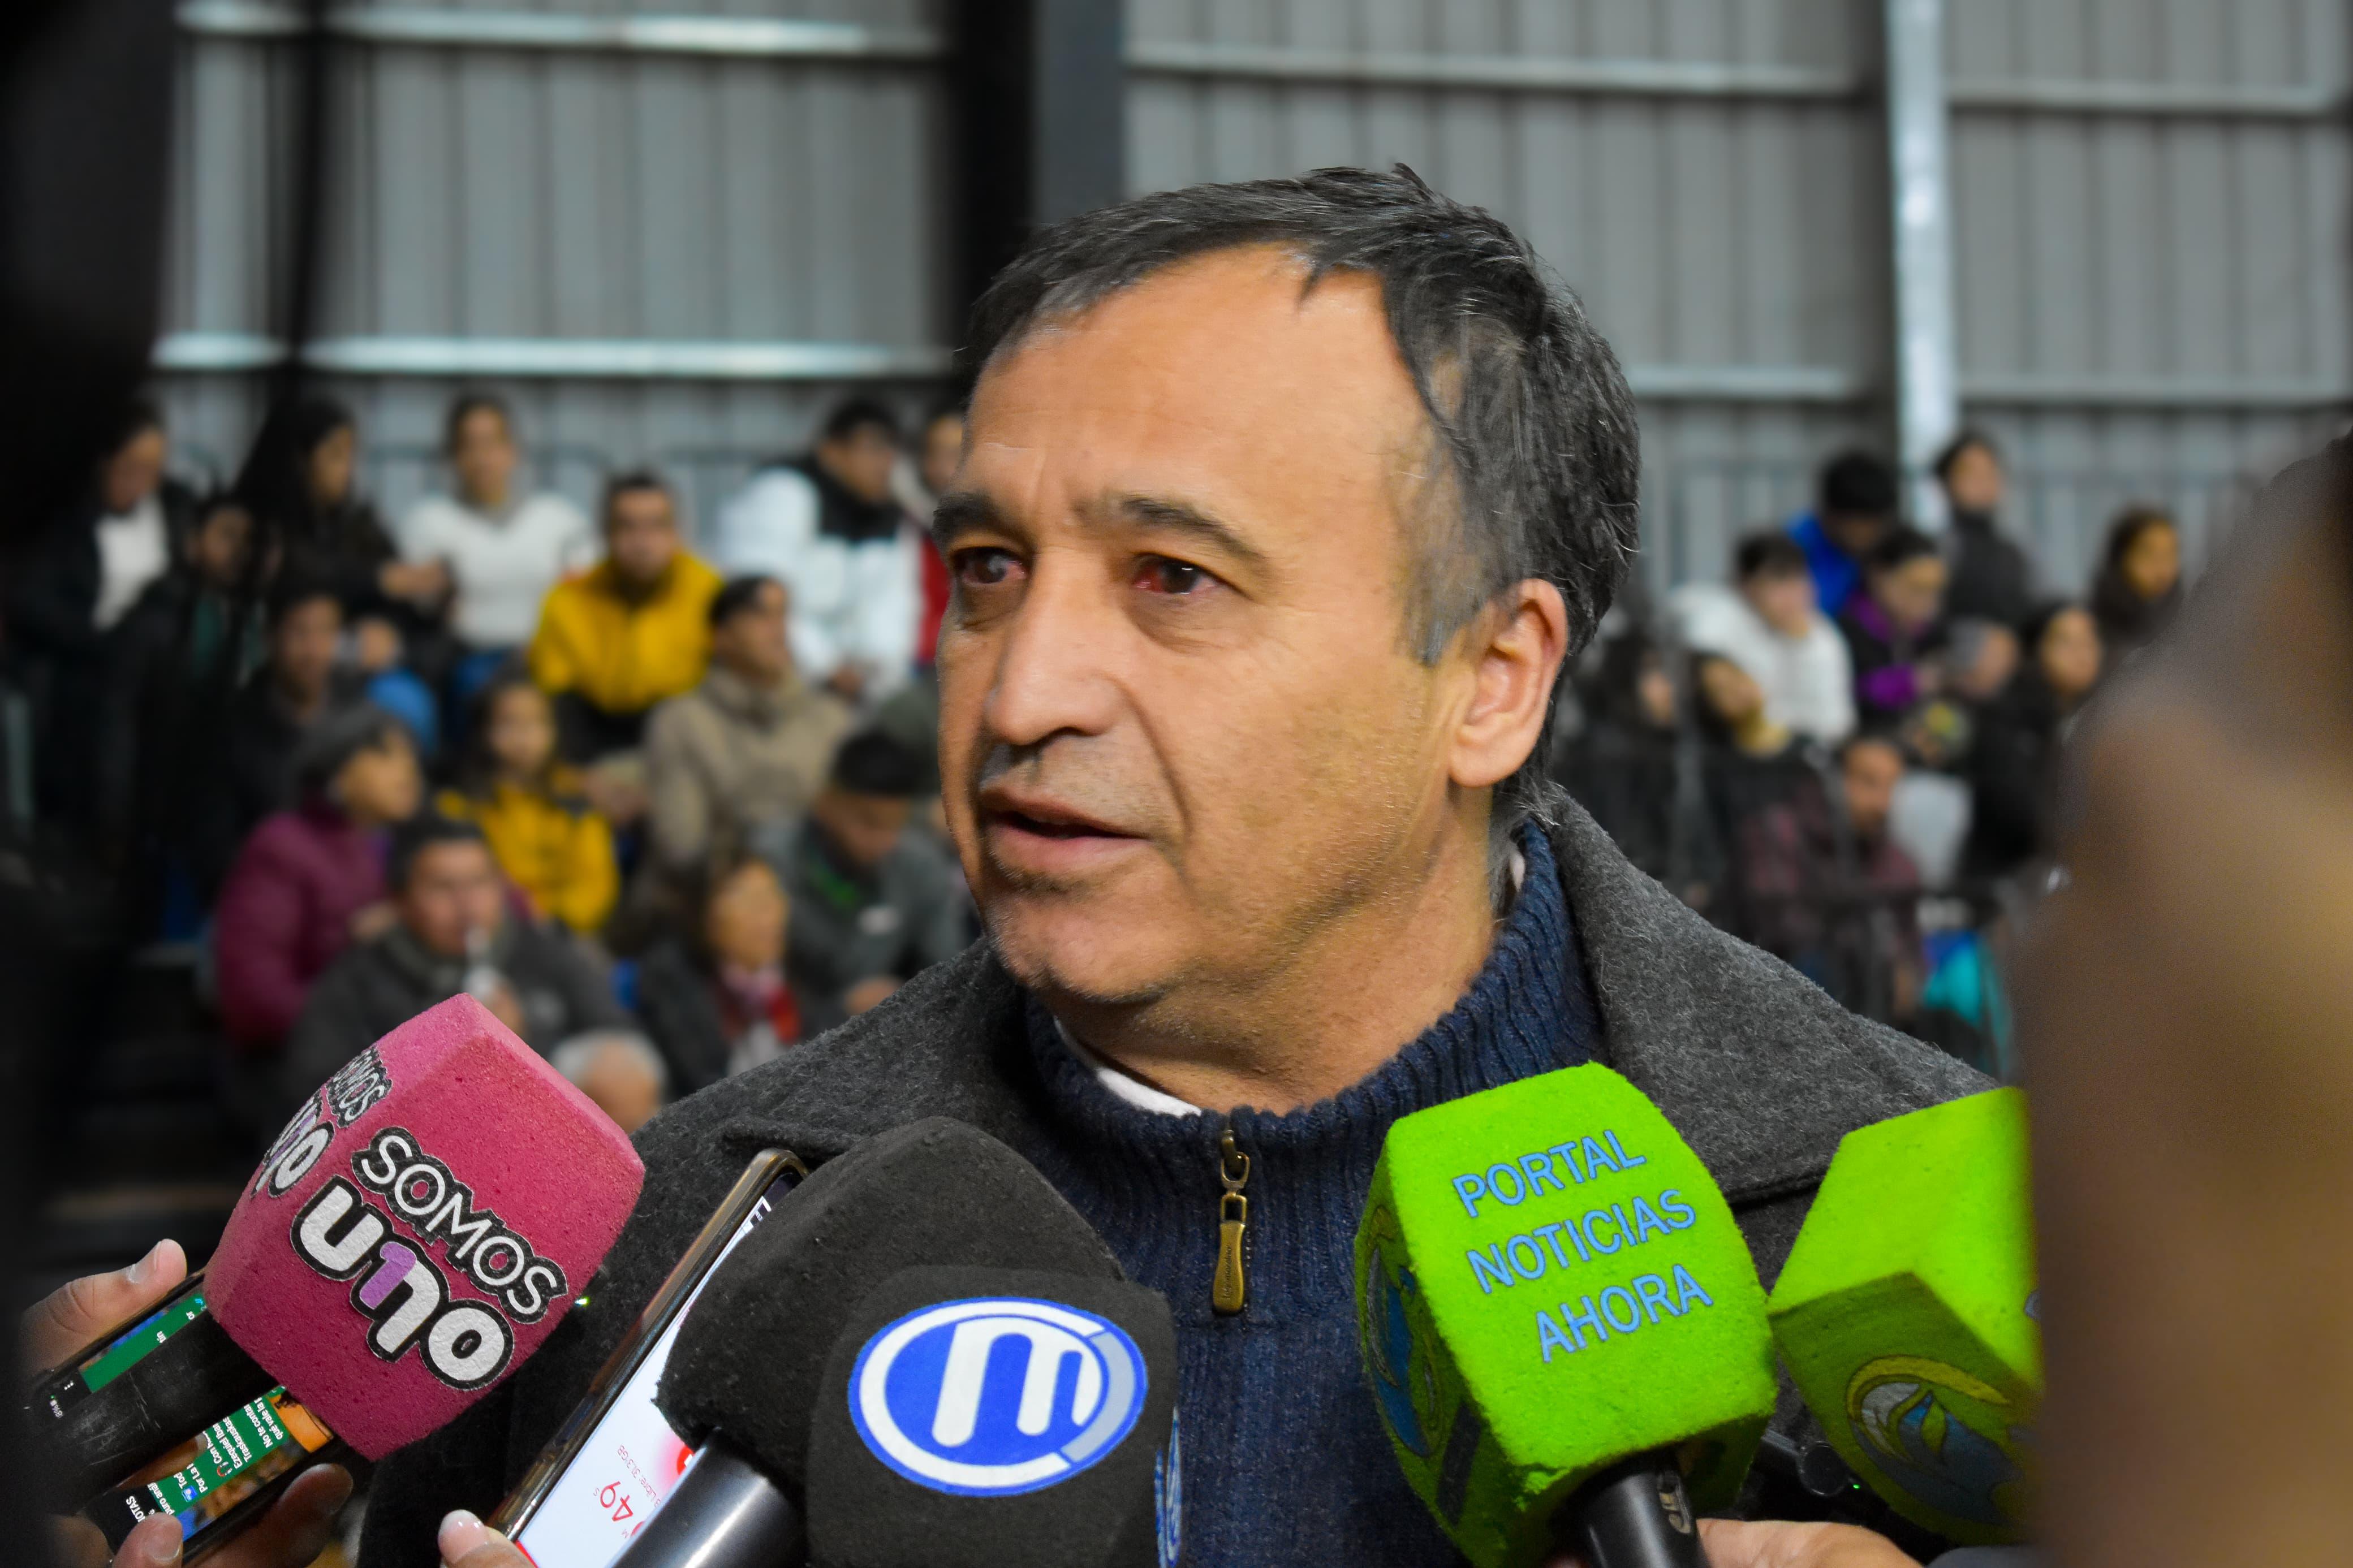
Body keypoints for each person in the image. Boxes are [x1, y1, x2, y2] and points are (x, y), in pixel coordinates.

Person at [365, 168, 1970, 1568]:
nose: (1020, 690)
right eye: (989, 568)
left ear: (1491, 679)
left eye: (1174, 578)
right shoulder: (662, 1251)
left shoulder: (1923, 1248)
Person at [281, 814, 659, 1131]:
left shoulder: (542, 949)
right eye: (443, 887)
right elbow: (321, 1100)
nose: (467, 905)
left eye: (480, 882)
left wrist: (524, 1042)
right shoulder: (359, 981)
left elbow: (617, 1031)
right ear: (400, 900)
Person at [5, 399, 197, 828]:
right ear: (103, 461)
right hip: (83, 660)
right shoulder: (64, 518)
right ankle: (111, 822)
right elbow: (29, 599)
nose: (142, 483)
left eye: (153, 470)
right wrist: (104, 639)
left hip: (163, 657)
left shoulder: (175, 507)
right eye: (131, 468)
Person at [213, 705, 420, 1061]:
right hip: (295, 1065)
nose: (408, 770)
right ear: (336, 769)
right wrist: (351, 944)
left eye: (410, 756)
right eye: (386, 755)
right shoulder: (282, 845)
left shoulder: (405, 845)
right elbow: (253, 997)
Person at [96, 494, 268, 919]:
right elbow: (119, 718)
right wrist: (114, 808)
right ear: (192, 544)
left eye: (250, 540)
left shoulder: (261, 620)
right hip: (167, 803)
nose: (240, 550)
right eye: (227, 535)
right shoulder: (159, 619)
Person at [710, 398, 921, 706]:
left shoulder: (889, 515)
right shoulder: (782, 492)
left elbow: (894, 609)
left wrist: (878, 677)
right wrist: (825, 667)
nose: (885, 462)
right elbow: (756, 598)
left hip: (858, 694)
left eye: (892, 450)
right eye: (873, 448)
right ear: (831, 451)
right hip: (775, 684)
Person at [640, 574, 853, 879]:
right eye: (761, 616)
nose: (779, 631)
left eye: (783, 615)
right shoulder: (681, 721)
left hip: (821, 888)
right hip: (719, 888)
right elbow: (681, 847)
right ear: (721, 636)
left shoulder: (830, 717)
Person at [767, 729, 966, 1033]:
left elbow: (949, 976)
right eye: (868, 822)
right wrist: (837, 1011)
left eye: (894, 825)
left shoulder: (921, 867)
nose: (881, 841)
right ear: (827, 802)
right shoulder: (772, 865)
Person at [234, 394, 453, 666]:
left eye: (351, 455)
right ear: (300, 460)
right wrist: (377, 580)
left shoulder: (355, 520)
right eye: (335, 455)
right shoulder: (257, 523)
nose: (348, 469)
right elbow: (290, 574)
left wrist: (388, 623)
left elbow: (399, 587)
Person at [526, 469, 721, 764]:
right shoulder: (568, 599)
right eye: (627, 527)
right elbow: (555, 697)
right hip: (596, 735)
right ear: (604, 532)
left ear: (677, 532)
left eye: (656, 526)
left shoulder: (710, 593)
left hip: (685, 736)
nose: (642, 543)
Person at [396, 392, 596, 673]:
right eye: (469, 446)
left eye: (491, 443)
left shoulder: (560, 519)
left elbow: (591, 597)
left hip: (554, 658)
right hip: (467, 663)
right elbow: (420, 608)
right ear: (452, 456)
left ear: (513, 450)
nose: (482, 459)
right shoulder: (428, 522)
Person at [1738, 733, 1924, 1022]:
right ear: (1832, 779)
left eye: (1892, 787)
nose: (1882, 804)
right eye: (1868, 782)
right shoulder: (1777, 833)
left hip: (1874, 1016)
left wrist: (1906, 973)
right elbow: (1781, 929)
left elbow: (1912, 952)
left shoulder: (1899, 863)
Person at [436, 672, 619, 938]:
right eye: (508, 723)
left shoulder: (575, 798)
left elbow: (596, 883)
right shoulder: (460, 805)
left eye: (536, 723)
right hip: (486, 927)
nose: (523, 737)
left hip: (562, 930)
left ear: (556, 730)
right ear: (483, 730)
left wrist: (553, 916)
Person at [633, 850, 809, 1096]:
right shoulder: (671, 977)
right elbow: (700, 1080)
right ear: (704, 912)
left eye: (773, 895)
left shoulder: (799, 970)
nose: (770, 913)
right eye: (751, 901)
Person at [1552, 627, 1704, 896]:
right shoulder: (1606, 755)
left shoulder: (1668, 746)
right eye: (1655, 671)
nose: (1671, 687)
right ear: (1625, 679)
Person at [1670, 530, 1855, 745]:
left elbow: (1836, 723)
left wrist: (1803, 648)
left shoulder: (1821, 636)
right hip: (1720, 746)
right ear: (1746, 585)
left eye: (1798, 581)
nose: (1791, 596)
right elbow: (1689, 621)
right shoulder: (1722, 614)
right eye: (1778, 582)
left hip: (1798, 751)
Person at [1965, 599, 2104, 881]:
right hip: (2009, 877)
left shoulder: (2106, 721)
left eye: (2089, 642)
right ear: (2035, 649)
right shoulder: (2004, 718)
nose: (2082, 654)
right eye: (2067, 642)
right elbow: (2015, 812)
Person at [1839, 526, 1951, 725]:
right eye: (1917, 588)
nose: (1928, 602)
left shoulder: (1928, 634)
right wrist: (1908, 683)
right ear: (1879, 576)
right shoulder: (1847, 633)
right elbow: (1851, 694)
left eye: (1935, 590)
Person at [1936, 430, 2034, 629]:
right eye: (1971, 473)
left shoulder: (2014, 553)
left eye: (1990, 472)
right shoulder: (1939, 550)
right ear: (1946, 483)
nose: (1983, 482)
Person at [1785, 449, 1898, 620]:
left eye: (1877, 526)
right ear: (1831, 515)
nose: (1870, 536)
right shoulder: (1793, 546)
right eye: (1861, 526)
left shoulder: (1883, 548)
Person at [2089, 503, 2183, 667]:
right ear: (2121, 558)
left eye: (2171, 554)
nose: (2163, 566)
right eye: (2149, 554)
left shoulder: (2191, 620)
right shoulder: (2090, 627)